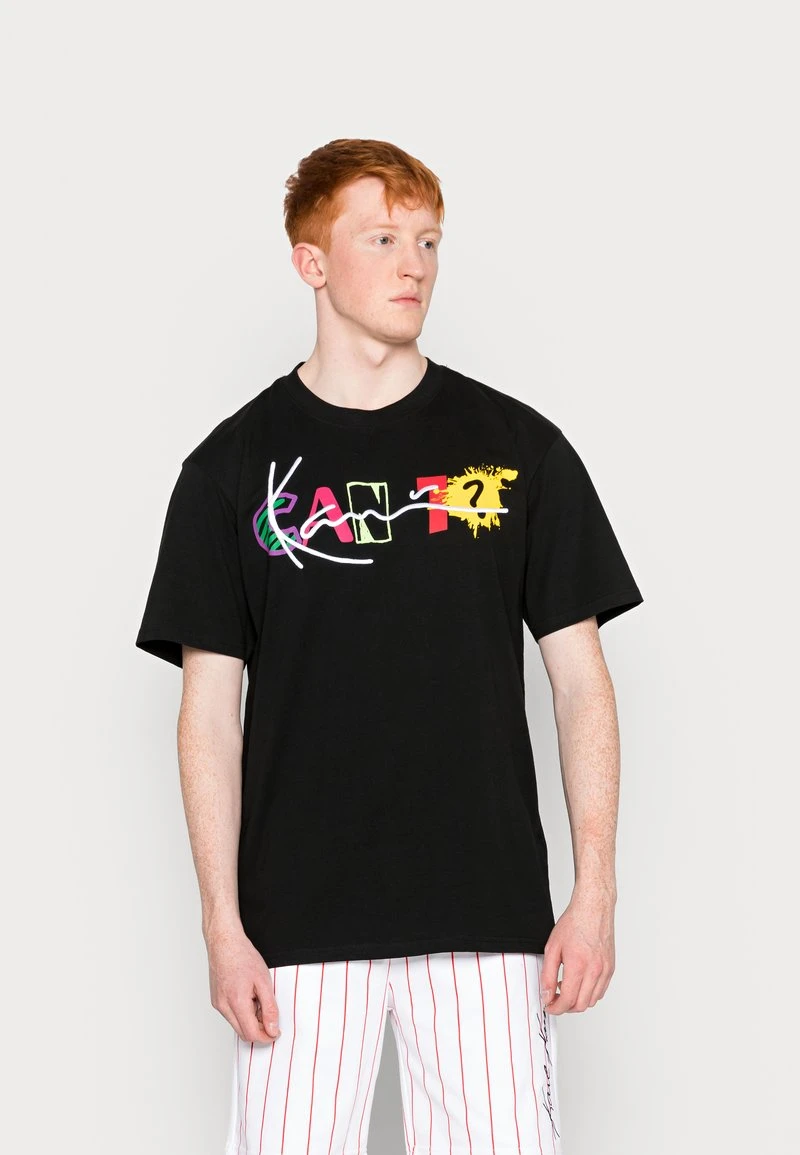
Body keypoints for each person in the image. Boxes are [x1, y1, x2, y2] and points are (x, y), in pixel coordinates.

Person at [136, 137, 644, 1155]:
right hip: (294, 925)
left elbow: (581, 687)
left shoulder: (518, 451)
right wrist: (221, 924)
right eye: (381, 239)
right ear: (311, 262)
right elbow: (209, 716)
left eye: (427, 241)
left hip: (486, 916)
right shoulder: (229, 470)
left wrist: (593, 895)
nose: (413, 265)